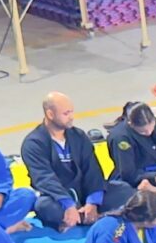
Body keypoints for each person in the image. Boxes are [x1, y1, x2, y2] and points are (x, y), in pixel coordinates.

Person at [19, 93, 108, 232]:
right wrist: (68, 204)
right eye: (66, 113)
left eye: (71, 112)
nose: (71, 117)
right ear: (50, 114)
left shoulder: (78, 136)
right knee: (43, 205)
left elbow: (92, 169)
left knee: (122, 189)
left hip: (83, 192)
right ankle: (81, 216)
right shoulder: (33, 144)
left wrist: (93, 201)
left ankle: (83, 215)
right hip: (57, 198)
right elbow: (44, 178)